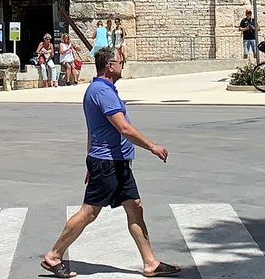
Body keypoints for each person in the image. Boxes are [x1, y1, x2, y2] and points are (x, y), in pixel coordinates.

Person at [37, 47, 177, 279]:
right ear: (110, 65)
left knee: (135, 208)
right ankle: (54, 255)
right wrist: (152, 146)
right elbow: (123, 127)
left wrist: (88, 161)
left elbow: (93, 131)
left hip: (115, 162)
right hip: (108, 163)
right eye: (121, 61)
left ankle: (150, 262)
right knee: (89, 212)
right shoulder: (102, 92)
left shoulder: (101, 90)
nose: (123, 65)